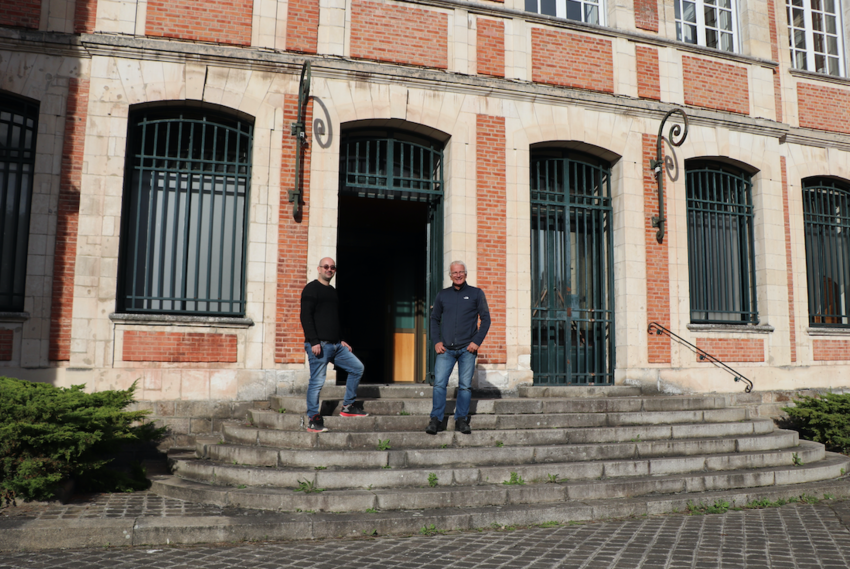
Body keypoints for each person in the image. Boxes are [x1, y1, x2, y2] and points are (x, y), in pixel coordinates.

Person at [300, 257, 368, 433]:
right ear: (319, 268)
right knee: (317, 382)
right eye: (326, 267)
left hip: (336, 345)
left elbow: (334, 319)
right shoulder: (311, 289)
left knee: (357, 367)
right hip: (319, 345)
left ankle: (347, 407)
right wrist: (313, 341)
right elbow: (305, 317)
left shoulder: (333, 292)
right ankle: (313, 418)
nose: (329, 269)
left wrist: (342, 338)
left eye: (332, 267)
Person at [426, 260, 491, 435]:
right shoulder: (442, 295)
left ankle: (461, 420)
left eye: (461, 272)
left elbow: (486, 319)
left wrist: (476, 341)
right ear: (450, 275)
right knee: (439, 384)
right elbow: (434, 319)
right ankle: (436, 420)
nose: (458, 275)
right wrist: (436, 341)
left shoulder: (476, 293)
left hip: (467, 349)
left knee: (464, 387)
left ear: (466, 274)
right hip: (445, 349)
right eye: (455, 272)